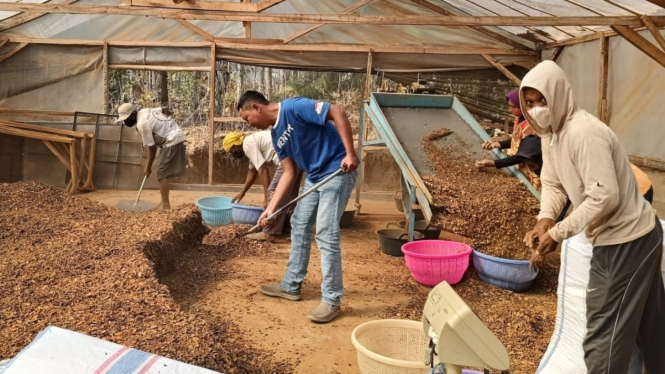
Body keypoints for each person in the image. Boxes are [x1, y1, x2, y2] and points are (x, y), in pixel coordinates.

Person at [521, 60, 664, 374]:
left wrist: (558, 232)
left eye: (542, 100)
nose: (537, 109)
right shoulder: (550, 134)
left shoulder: (584, 134)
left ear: (559, 95)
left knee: (604, 334)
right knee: (651, 326)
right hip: (629, 236)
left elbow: (604, 196)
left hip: (629, 239)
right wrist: (545, 217)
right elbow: (554, 182)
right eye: (529, 103)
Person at [236, 90, 358, 323]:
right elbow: (289, 173)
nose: (249, 124)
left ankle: (332, 300)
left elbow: (337, 112)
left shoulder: (294, 108)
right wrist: (271, 209)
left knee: (325, 232)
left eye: (247, 118)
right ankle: (291, 285)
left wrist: (350, 153)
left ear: (256, 108)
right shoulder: (276, 135)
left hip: (337, 169)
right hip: (314, 175)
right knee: (299, 223)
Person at [223, 131, 304, 242]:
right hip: (297, 157)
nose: (233, 153)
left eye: (232, 150)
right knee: (289, 196)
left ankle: (270, 232)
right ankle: (288, 227)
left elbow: (262, 170)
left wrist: (266, 198)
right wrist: (242, 192)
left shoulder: (247, 144)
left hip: (288, 159)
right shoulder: (251, 142)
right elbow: (252, 172)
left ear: (236, 144)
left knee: (273, 192)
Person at [116, 103, 186, 210]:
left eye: (126, 119)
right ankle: (163, 201)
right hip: (173, 136)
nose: (125, 122)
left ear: (134, 114)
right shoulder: (144, 111)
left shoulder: (142, 124)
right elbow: (165, 109)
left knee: (161, 172)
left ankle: (165, 206)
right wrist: (167, 125)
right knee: (162, 171)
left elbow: (152, 148)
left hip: (172, 139)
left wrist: (148, 167)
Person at [476, 88, 540, 190]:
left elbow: (523, 156)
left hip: (532, 172)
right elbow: (517, 140)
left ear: (522, 104)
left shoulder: (532, 125)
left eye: (513, 106)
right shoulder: (518, 118)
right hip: (520, 169)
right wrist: (497, 144)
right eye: (509, 106)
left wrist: (493, 163)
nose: (510, 109)